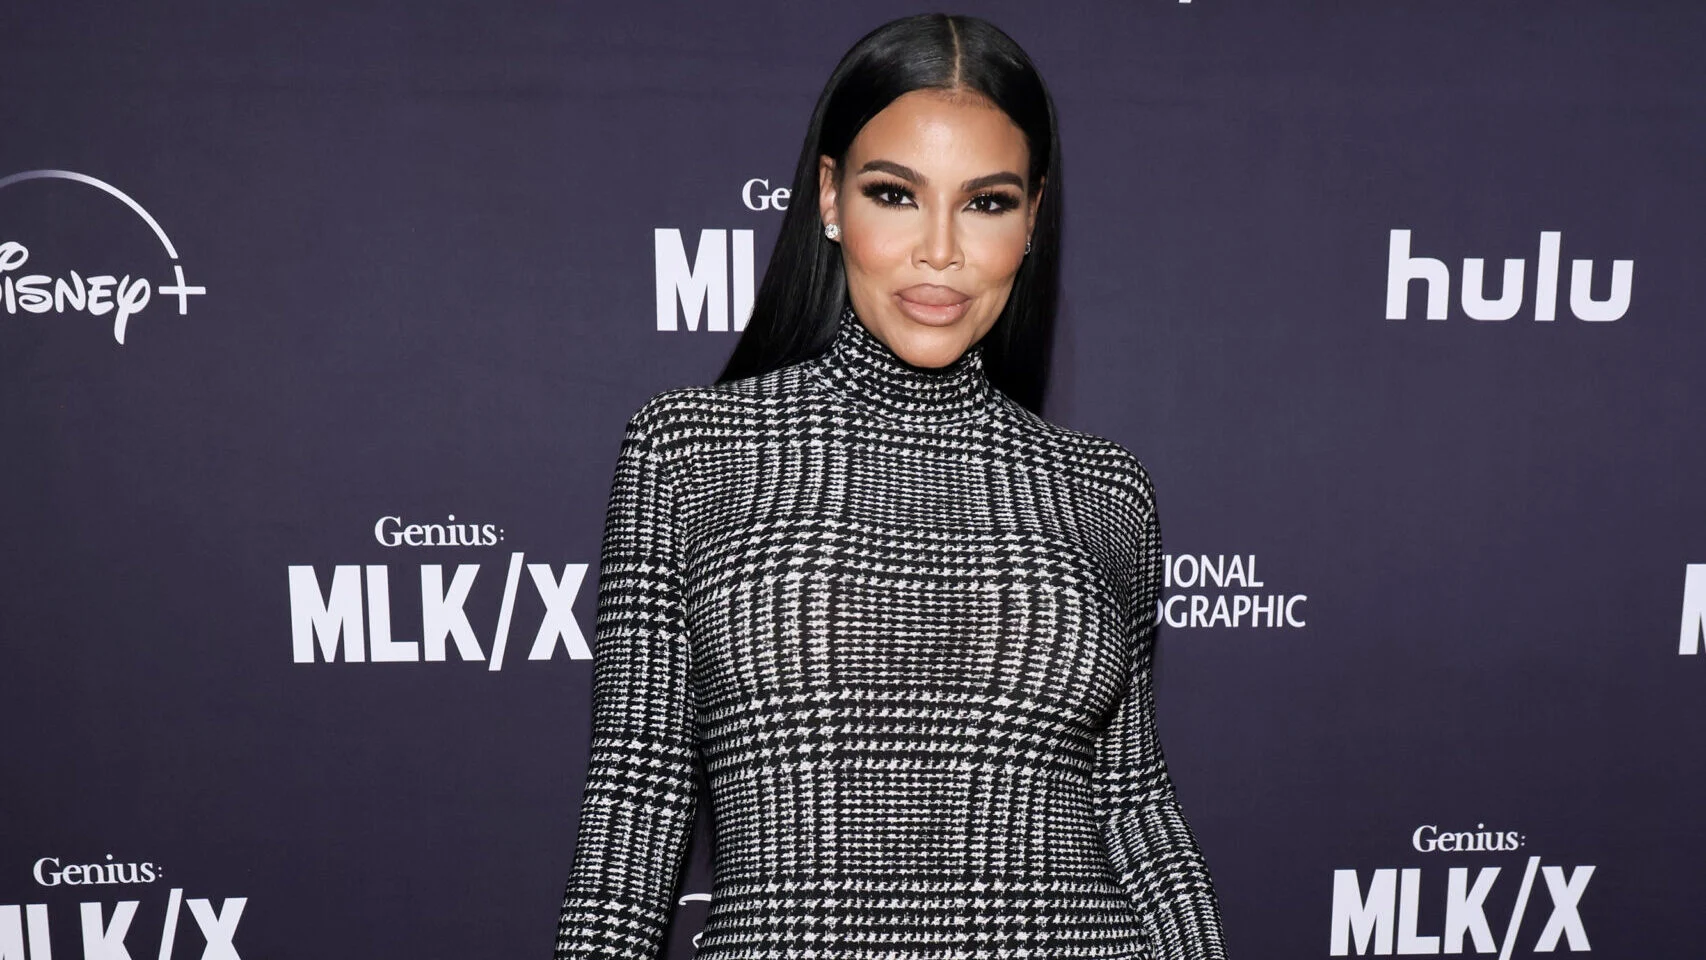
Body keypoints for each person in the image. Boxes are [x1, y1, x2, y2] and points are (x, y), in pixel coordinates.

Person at [555, 13, 1228, 960]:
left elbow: (1134, 805)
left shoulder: (1105, 489)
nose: (939, 250)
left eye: (986, 203)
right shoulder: (689, 452)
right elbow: (636, 800)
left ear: (1033, 219)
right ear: (830, 197)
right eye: (895, 194)